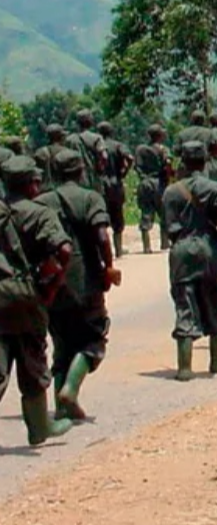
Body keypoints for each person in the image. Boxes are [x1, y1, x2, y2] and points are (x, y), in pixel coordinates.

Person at [35, 149, 120, 420]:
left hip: (53, 279)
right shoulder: (90, 198)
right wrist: (109, 267)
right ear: (81, 170)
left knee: (61, 341)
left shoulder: (42, 202)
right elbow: (102, 235)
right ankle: (70, 390)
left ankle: (62, 407)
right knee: (93, 339)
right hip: (86, 278)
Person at [1, 156, 75, 445]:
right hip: (25, 293)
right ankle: (40, 427)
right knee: (32, 358)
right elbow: (65, 251)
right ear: (32, 183)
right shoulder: (40, 214)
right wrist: (52, 286)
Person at [163, 142, 217, 381]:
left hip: (181, 251)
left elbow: (167, 227)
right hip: (210, 249)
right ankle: (216, 359)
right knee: (216, 300)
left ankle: (185, 367)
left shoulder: (171, 192)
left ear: (183, 162)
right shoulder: (215, 188)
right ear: (205, 161)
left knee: (185, 304)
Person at [96, 122, 133, 257]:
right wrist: (124, 172)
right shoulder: (117, 145)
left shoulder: (96, 146)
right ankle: (118, 250)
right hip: (115, 183)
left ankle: (104, 252)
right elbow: (129, 158)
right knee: (118, 217)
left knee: (101, 218)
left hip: (101, 185)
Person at [134, 124, 173, 253]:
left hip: (145, 183)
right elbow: (168, 163)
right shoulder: (163, 149)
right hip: (159, 183)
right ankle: (165, 243)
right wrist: (169, 177)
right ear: (160, 135)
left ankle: (146, 246)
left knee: (146, 212)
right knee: (164, 213)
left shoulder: (140, 149)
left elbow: (137, 167)